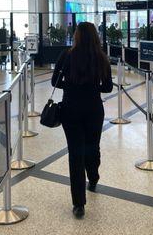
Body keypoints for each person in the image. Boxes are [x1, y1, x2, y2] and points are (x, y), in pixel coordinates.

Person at [51, 22, 113, 219]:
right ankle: (93, 177)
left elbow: (54, 81)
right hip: (94, 110)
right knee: (92, 146)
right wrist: (92, 87)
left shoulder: (66, 55)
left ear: (77, 36)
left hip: (70, 110)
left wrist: (71, 85)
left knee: (75, 154)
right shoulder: (101, 57)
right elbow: (108, 87)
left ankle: (79, 204)